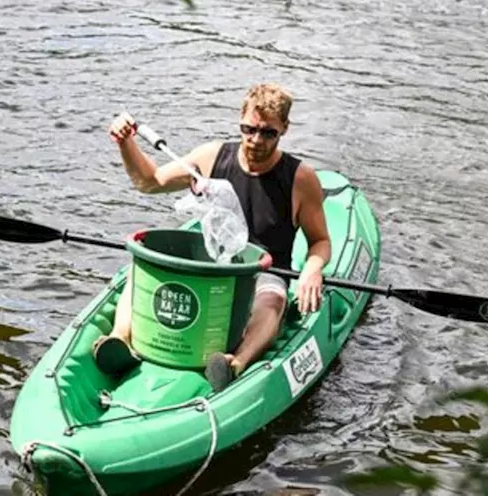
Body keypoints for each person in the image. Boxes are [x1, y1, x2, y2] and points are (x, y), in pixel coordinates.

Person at [91, 83, 333, 392]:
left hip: (264, 271)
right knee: (141, 273)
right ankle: (119, 340)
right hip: (211, 262)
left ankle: (234, 364)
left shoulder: (300, 178)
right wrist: (125, 143)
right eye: (249, 129)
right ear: (240, 121)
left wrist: (312, 270)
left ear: (285, 128)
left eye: (268, 133)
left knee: (271, 302)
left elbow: (320, 241)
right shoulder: (212, 157)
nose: (256, 140)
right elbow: (149, 182)